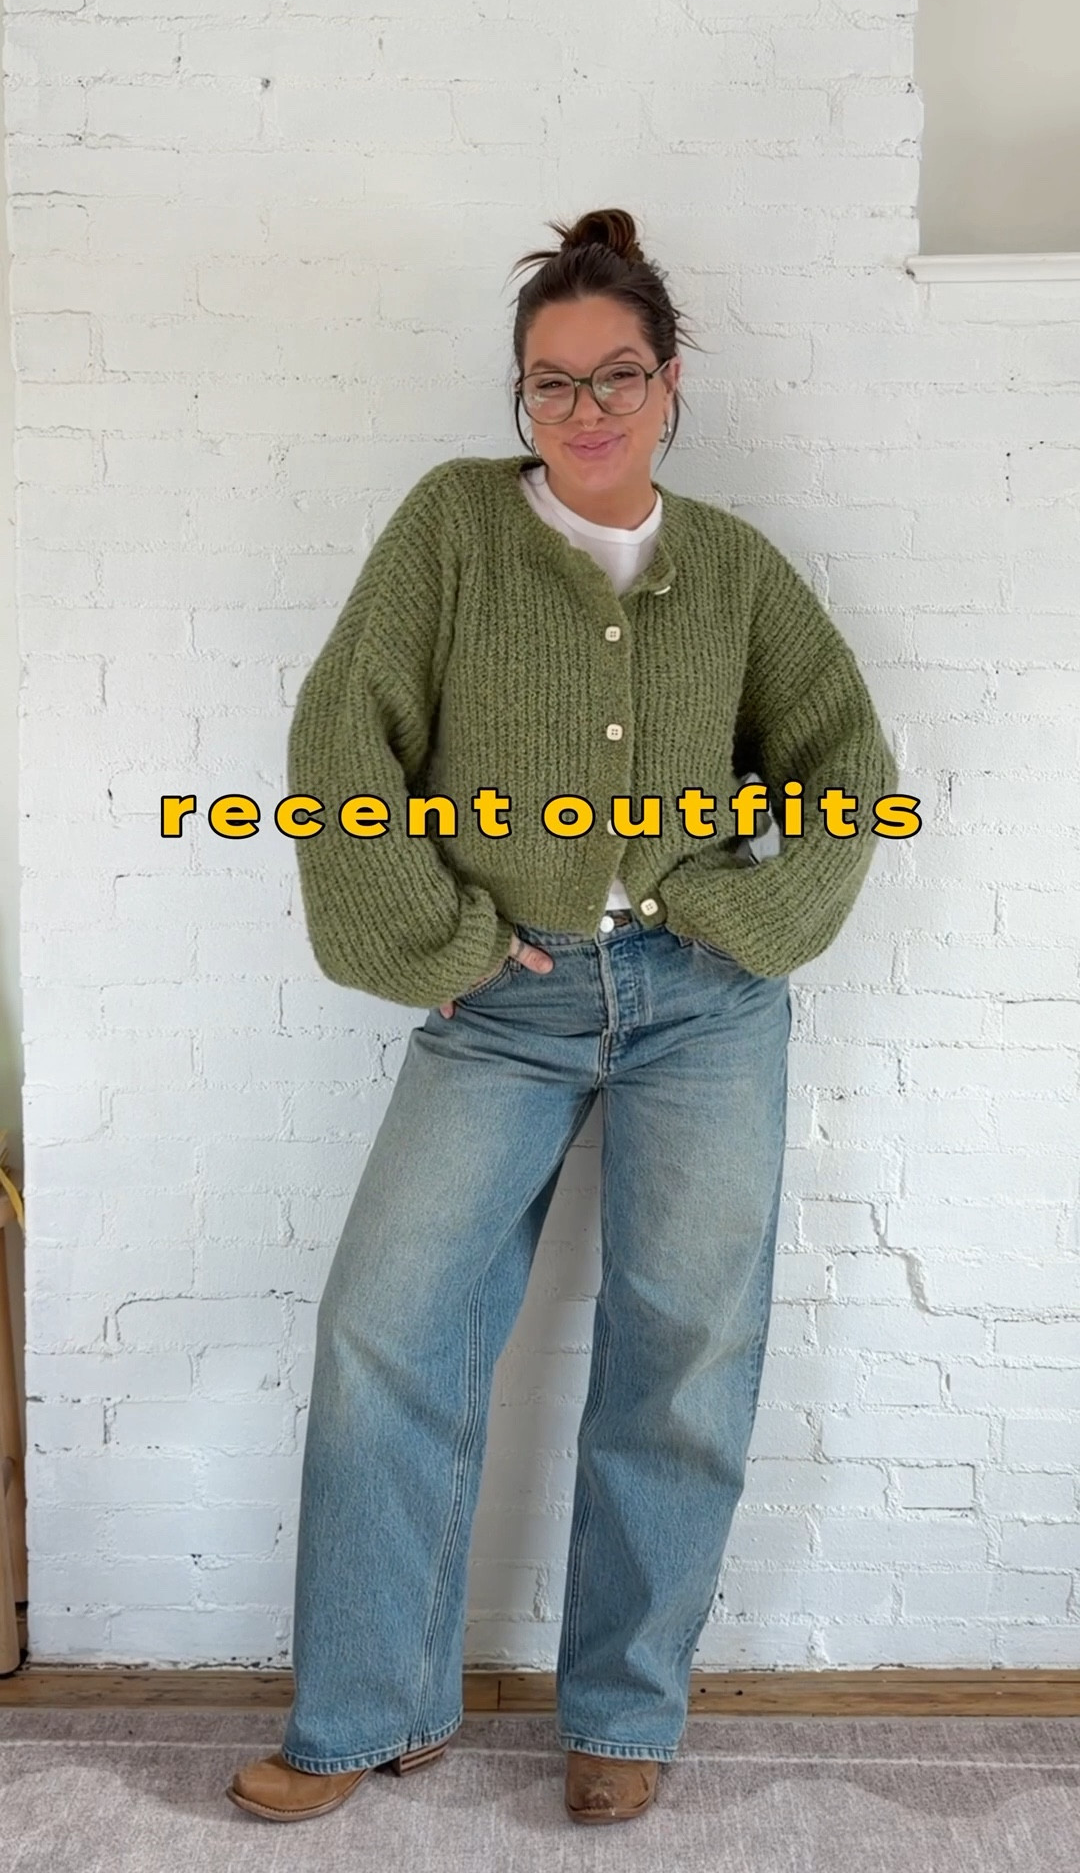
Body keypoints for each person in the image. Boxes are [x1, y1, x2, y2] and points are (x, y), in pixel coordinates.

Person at [228, 207, 898, 1829]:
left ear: (671, 385)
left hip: (702, 1011)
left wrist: (748, 923)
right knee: (385, 1327)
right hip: (502, 1002)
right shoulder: (453, 529)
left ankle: (622, 1713)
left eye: (618, 375)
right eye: (552, 381)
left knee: (685, 1356)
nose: (585, 409)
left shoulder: (734, 568)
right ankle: (370, 1709)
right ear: (521, 396)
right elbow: (342, 740)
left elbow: (849, 769)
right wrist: (435, 942)